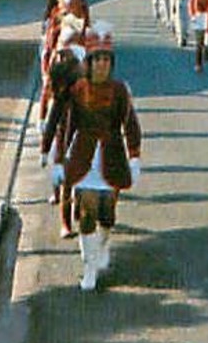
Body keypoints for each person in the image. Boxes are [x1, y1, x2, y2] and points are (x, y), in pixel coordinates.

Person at [44, 22, 142, 291]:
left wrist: (134, 157)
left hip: (111, 156)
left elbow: (130, 125)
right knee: (86, 210)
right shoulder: (77, 91)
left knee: (107, 214)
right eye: (96, 59)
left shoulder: (120, 90)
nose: (101, 64)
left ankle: (103, 244)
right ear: (89, 62)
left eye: (106, 59)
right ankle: (89, 266)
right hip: (84, 156)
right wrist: (58, 160)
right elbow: (65, 127)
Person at [41, 20, 86, 237]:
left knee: (83, 181)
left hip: (85, 138)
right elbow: (52, 118)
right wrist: (44, 147)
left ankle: (79, 207)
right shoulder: (59, 87)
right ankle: (65, 223)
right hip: (64, 139)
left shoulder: (86, 78)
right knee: (66, 181)